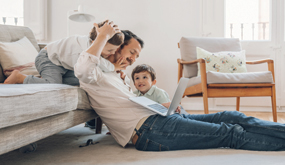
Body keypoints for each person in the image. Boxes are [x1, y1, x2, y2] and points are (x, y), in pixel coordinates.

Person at [75, 23, 285, 152]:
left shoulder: (116, 76)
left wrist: (162, 105)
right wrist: (103, 36)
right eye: (131, 53)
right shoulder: (92, 73)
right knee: (229, 133)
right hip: (149, 132)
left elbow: (130, 105)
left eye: (137, 57)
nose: (132, 60)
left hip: (161, 120)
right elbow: (84, 69)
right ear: (116, 47)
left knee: (234, 116)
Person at [3, 20, 125, 85]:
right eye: (110, 50)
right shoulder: (84, 50)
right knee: (53, 84)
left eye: (115, 50)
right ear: (95, 42)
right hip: (48, 59)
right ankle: (19, 77)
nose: (112, 53)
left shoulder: (90, 44)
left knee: (84, 81)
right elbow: (100, 64)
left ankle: (43, 78)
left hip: (65, 65)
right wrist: (114, 67)